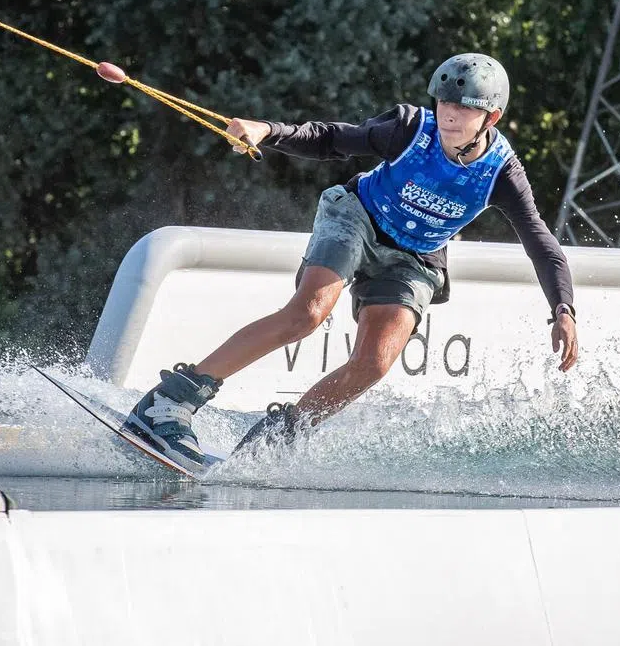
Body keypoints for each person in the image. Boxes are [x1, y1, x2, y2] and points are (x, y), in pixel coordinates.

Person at [124, 53, 578, 468]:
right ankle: (169, 403)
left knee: (374, 362)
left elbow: (540, 241)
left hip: (415, 258)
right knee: (307, 314)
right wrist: (268, 130)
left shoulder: (502, 173)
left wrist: (563, 308)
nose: (448, 116)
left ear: (491, 117)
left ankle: (272, 446)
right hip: (357, 216)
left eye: (463, 110)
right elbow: (333, 139)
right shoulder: (409, 128)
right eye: (443, 104)